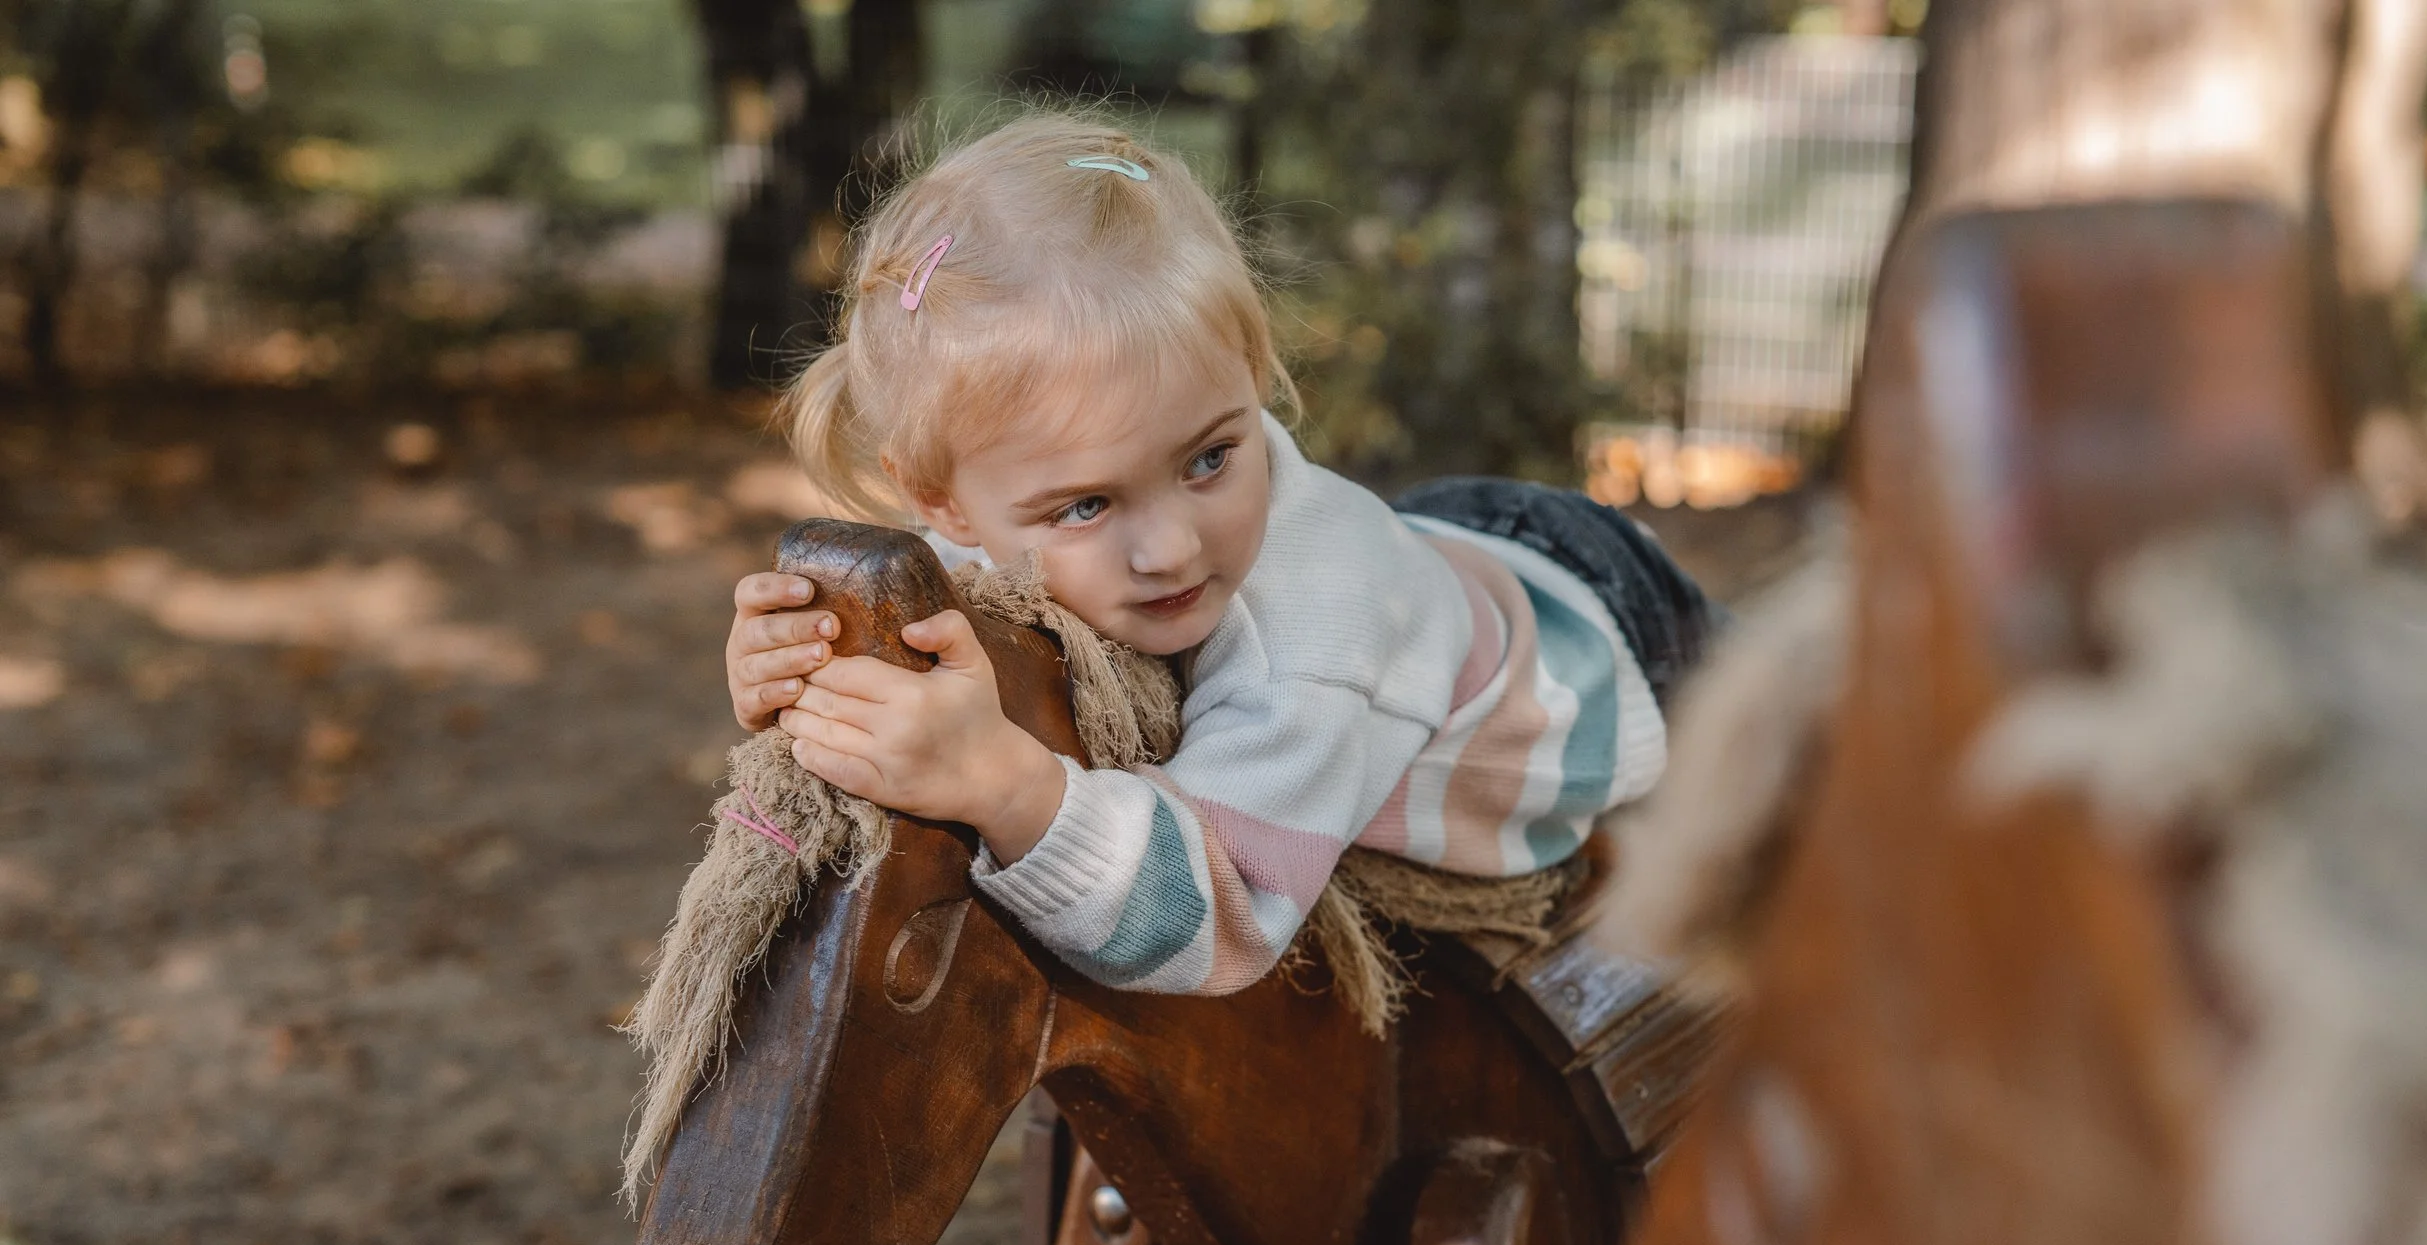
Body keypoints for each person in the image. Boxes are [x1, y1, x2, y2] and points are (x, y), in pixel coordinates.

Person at [723, 109, 1717, 996]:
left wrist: (1007, 785)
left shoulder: (1316, 638)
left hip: (1608, 635)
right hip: (1448, 553)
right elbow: (919, 624)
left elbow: (1218, 916)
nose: (1169, 548)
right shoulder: (1023, 527)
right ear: (943, 499)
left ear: (1252, 373)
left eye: (1209, 457)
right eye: (1084, 506)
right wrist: (800, 667)